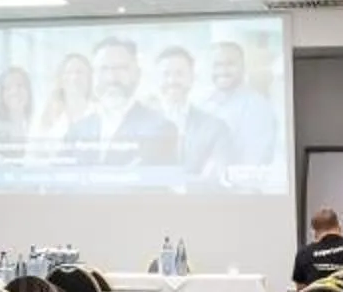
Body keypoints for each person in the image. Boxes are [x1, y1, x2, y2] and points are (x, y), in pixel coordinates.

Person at [69, 36, 175, 167]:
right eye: (104, 69)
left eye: (121, 68)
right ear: (94, 75)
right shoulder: (77, 130)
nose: (112, 78)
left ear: (137, 74)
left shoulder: (161, 129)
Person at [150, 46, 232, 183]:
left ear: (192, 78)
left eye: (179, 74)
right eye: (166, 74)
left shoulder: (215, 128)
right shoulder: (136, 123)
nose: (172, 81)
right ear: (156, 79)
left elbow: (216, 177)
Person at [199, 38, 279, 169]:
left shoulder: (258, 108)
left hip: (238, 187)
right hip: (199, 186)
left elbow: (254, 162)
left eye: (230, 64)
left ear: (243, 67)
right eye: (217, 65)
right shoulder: (201, 102)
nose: (223, 71)